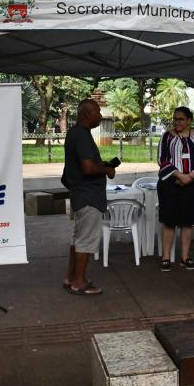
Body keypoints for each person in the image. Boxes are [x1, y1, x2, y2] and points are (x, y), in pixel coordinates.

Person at [61, 99, 115, 296]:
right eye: (98, 112)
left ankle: (71, 277)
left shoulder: (74, 133)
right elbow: (88, 167)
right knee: (86, 241)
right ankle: (79, 282)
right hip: (89, 197)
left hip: (81, 195)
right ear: (87, 114)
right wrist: (107, 169)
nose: (101, 116)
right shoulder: (81, 135)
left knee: (78, 240)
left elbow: (75, 168)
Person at [157, 106, 194, 272]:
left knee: (188, 222)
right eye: (175, 119)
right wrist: (179, 175)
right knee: (169, 221)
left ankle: (185, 258)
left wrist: (190, 176)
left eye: (181, 119)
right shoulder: (167, 137)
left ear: (189, 120)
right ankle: (165, 258)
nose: (177, 122)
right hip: (170, 185)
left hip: (193, 184)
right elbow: (162, 160)